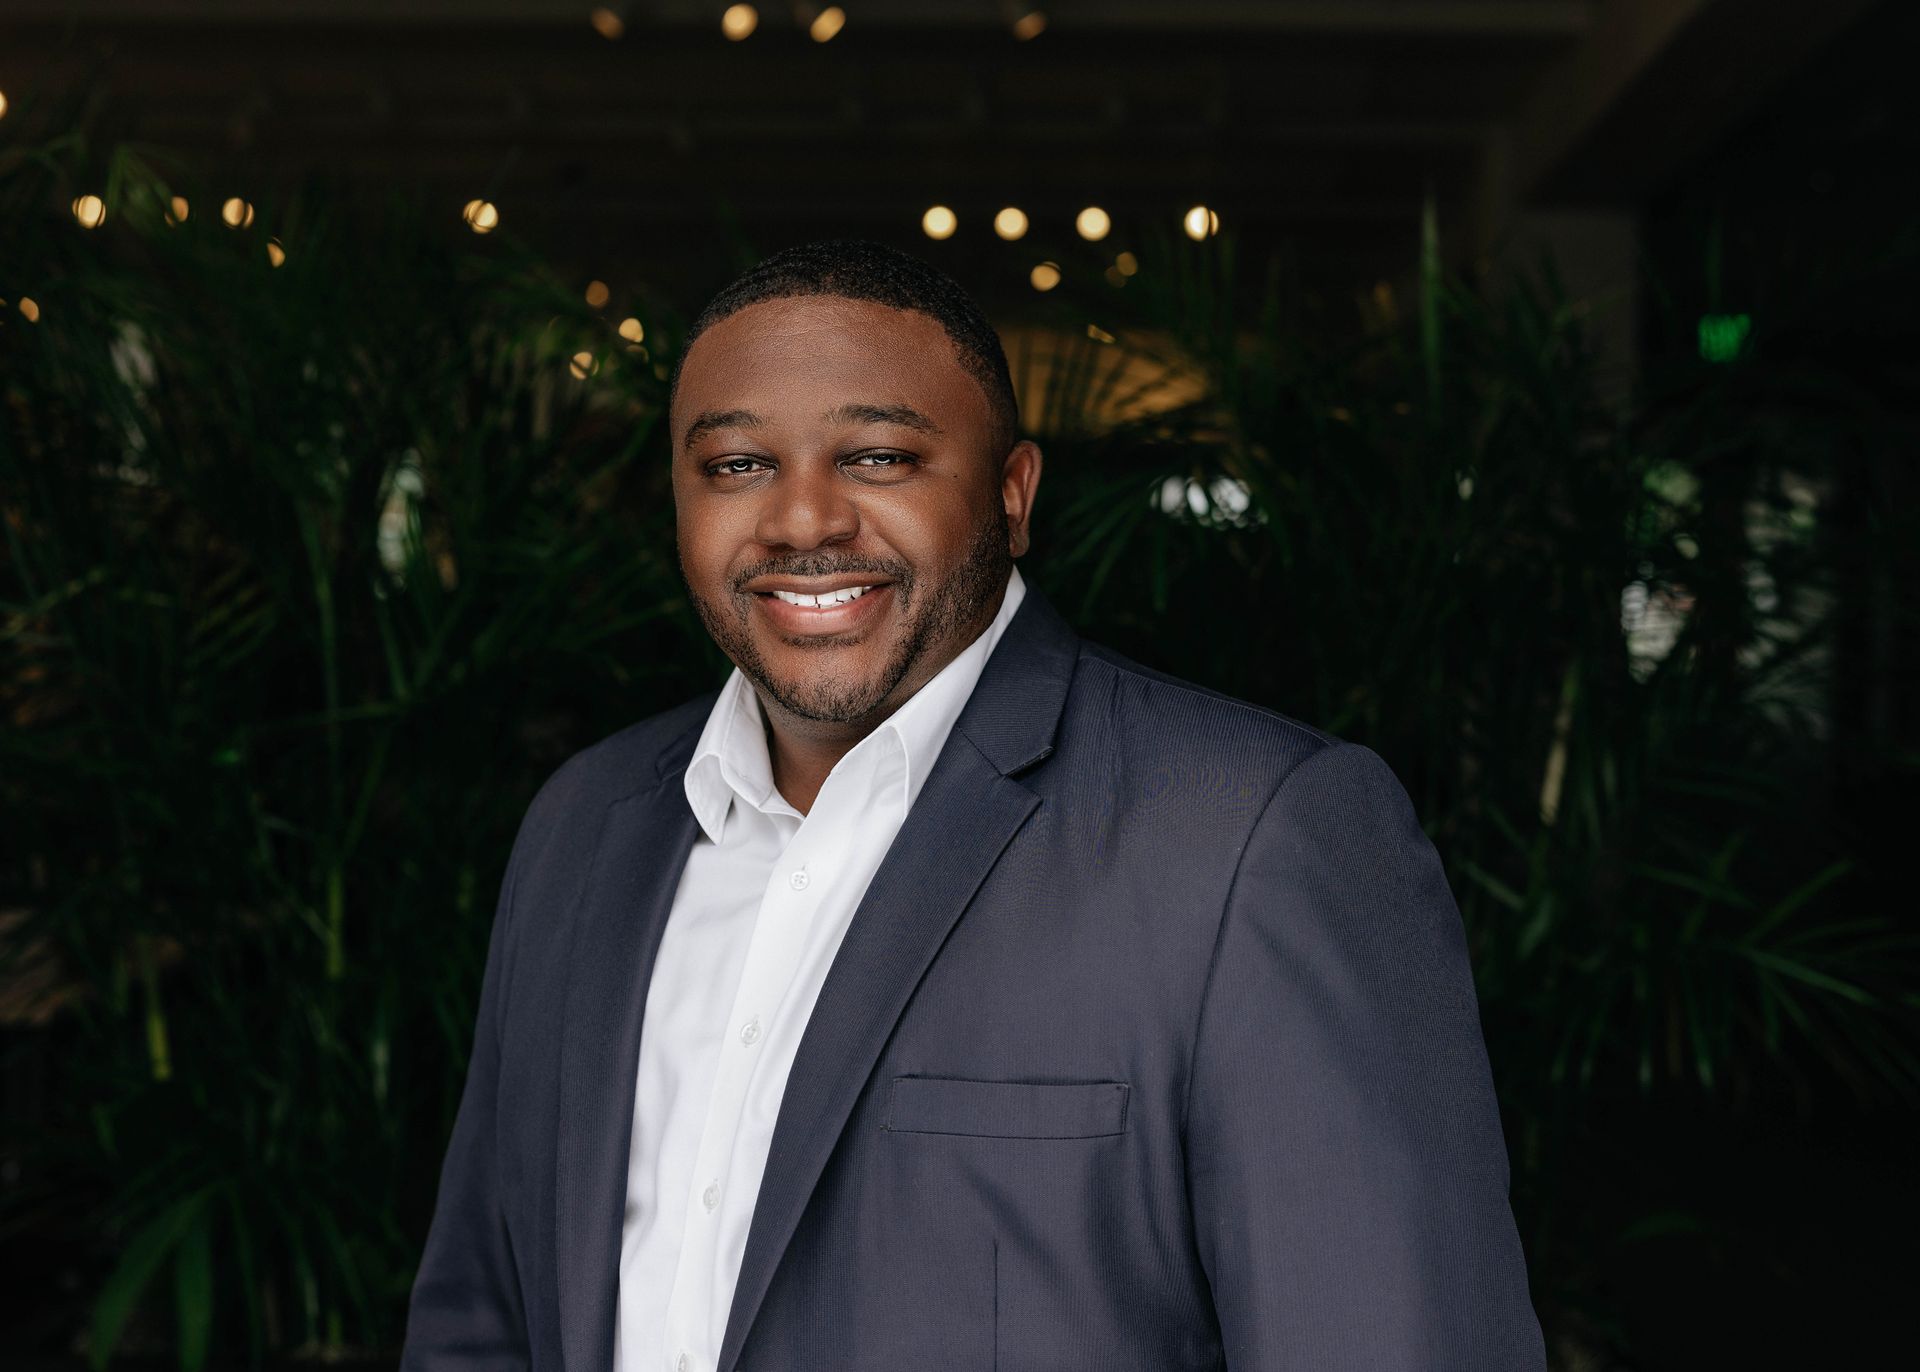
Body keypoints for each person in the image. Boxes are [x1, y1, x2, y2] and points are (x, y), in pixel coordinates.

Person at [401, 240, 1545, 1371]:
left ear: (1012, 493)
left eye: (880, 457)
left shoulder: (1252, 837)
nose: (803, 520)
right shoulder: (582, 829)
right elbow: (480, 1317)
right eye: (738, 464)